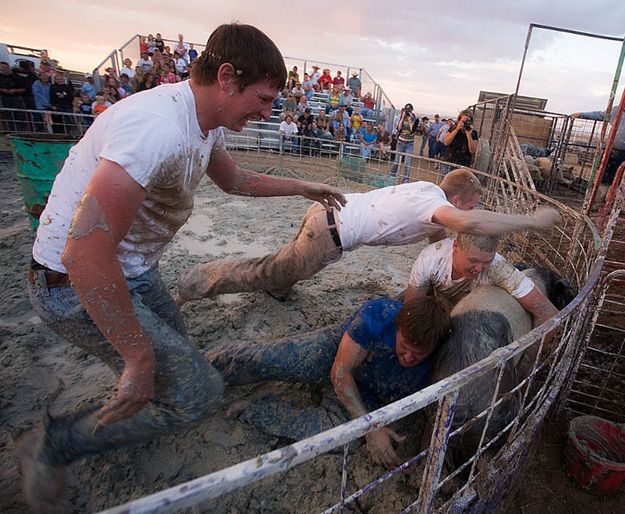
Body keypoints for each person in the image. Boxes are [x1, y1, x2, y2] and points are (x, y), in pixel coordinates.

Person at [16, 23, 346, 514]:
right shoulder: (157, 128)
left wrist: (302, 187)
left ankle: (140, 388)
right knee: (195, 391)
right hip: (71, 283)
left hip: (134, 269)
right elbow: (84, 252)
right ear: (227, 78)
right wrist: (136, 356)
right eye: (263, 97)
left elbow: (234, 180)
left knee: (179, 361)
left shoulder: (202, 122)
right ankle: (51, 445)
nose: (267, 111)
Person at [176, 168, 560, 304]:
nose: (471, 212)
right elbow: (471, 226)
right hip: (331, 233)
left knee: (286, 265)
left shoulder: (427, 191)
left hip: (327, 213)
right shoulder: (441, 209)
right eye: (471, 205)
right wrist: (530, 221)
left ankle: (280, 286)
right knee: (271, 270)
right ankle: (199, 282)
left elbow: (440, 242)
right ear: (459, 201)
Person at [207, 295, 452, 469]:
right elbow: (340, 371)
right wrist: (371, 427)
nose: (408, 357)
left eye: (418, 355)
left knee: (337, 438)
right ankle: (207, 366)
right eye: (404, 347)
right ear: (398, 328)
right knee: (279, 359)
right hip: (336, 354)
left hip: (368, 393)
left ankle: (252, 408)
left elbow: (434, 414)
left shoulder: (441, 361)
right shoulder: (379, 315)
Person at [404, 233, 558, 327]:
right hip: (440, 314)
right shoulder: (431, 259)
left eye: (486, 262)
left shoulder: (500, 268)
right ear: (455, 246)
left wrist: (526, 364)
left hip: (473, 323)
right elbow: (410, 312)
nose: (478, 269)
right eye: (473, 260)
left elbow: (548, 313)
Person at [571, 107, 625, 203]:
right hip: (610, 151)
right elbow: (599, 115)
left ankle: (611, 204)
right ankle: (598, 202)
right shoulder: (616, 111)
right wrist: (581, 114)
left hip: (623, 154)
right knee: (603, 178)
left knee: (619, 181)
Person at [389, 103, 419, 183]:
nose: (407, 113)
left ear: (412, 111)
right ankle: (392, 175)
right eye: (406, 111)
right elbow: (399, 128)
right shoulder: (402, 118)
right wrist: (402, 118)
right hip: (401, 141)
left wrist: (410, 120)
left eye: (409, 111)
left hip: (409, 143)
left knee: (407, 162)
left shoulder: (415, 119)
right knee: (396, 160)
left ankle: (406, 178)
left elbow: (413, 130)